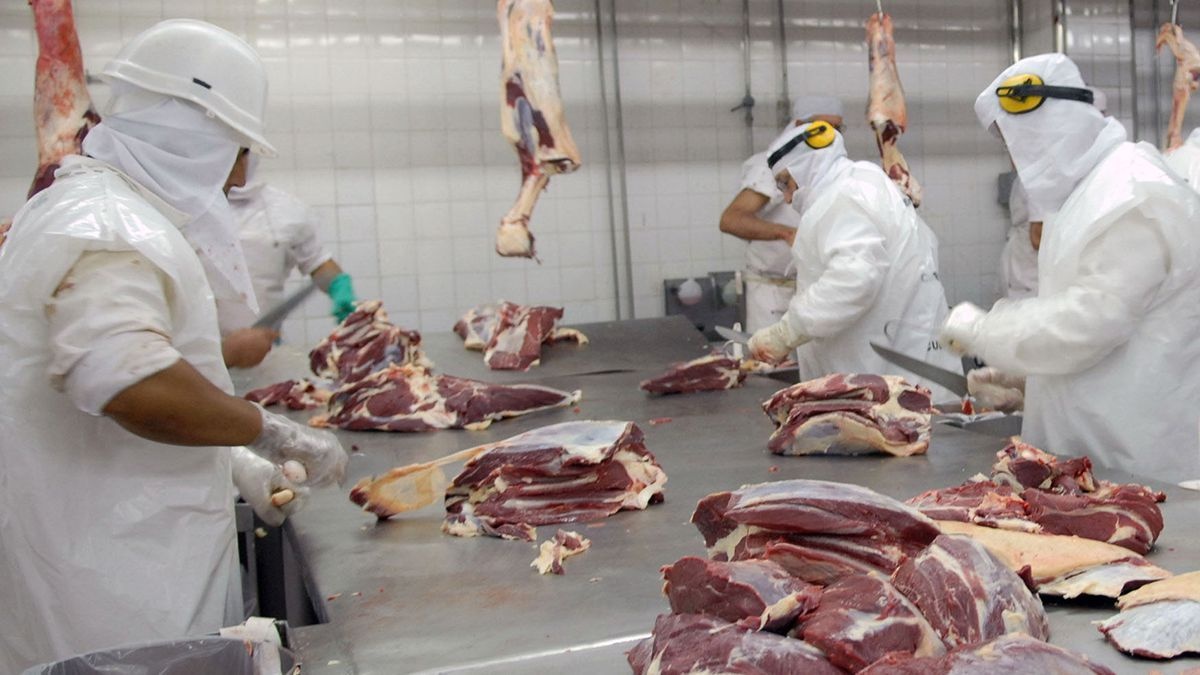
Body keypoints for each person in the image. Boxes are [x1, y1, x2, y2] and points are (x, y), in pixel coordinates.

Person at [0, 20, 349, 672]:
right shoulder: (108, 223)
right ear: (197, 131)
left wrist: (232, 461)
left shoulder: (97, 207)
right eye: (238, 149)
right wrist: (272, 433)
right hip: (115, 588)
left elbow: (99, 384)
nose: (236, 175)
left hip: (123, 560)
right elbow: (129, 383)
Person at [942, 53, 1200, 483]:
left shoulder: (1130, 192)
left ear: (1049, 128)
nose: (1016, 161)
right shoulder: (1089, 193)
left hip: (1140, 462)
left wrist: (986, 332)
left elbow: (1091, 321)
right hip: (1096, 457)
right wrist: (1029, 378)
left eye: (1017, 144)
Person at [745, 119, 960, 399]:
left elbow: (853, 280)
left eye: (785, 183)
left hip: (888, 386)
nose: (787, 198)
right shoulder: (866, 182)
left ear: (807, 165)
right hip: (907, 368)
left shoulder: (842, 196)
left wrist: (786, 332)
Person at [719, 95, 844, 332]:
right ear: (800, 127)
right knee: (772, 355)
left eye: (837, 129)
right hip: (773, 296)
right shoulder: (776, 165)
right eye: (823, 128)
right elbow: (731, 219)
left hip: (813, 291)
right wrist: (788, 233)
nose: (831, 136)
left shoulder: (830, 171)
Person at [221, 151, 357, 333]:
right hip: (197, 347)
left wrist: (340, 288)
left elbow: (318, 262)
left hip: (264, 343)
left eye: (243, 153)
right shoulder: (187, 207)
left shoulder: (284, 208)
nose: (237, 163)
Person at [999, 87, 1106, 300]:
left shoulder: (1054, 168)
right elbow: (1039, 234)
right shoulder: (1048, 166)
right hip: (1026, 271)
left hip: (1032, 275)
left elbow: (1039, 235)